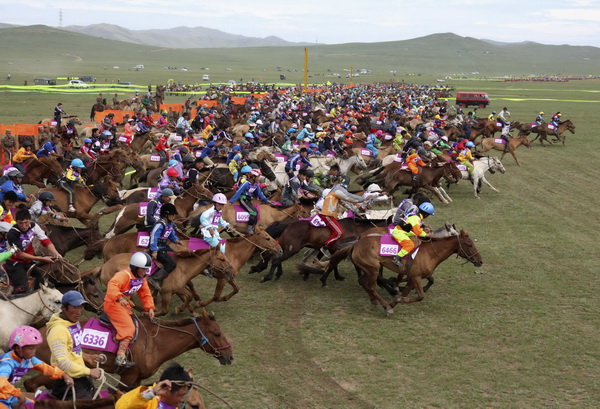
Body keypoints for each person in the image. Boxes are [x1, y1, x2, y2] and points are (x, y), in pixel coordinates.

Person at [0, 326, 73, 409]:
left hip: (7, 395)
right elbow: (1, 383)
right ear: (18, 349)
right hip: (4, 395)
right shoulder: (7, 363)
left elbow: (46, 368)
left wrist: (63, 375)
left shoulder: (30, 360)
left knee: (36, 406)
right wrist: (18, 394)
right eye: (31, 348)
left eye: (35, 348)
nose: (34, 352)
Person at [47, 290, 102, 400]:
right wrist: (89, 371)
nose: (79, 312)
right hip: (66, 381)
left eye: (81, 307)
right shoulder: (58, 330)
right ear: (64, 308)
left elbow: (73, 349)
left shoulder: (73, 322)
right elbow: (62, 362)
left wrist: (86, 356)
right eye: (75, 307)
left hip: (79, 376)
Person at [104, 252, 156, 368]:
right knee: (129, 328)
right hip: (113, 304)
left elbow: (145, 293)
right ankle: (120, 357)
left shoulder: (141, 278)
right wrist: (119, 297)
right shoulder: (123, 275)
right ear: (135, 267)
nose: (145, 272)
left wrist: (150, 307)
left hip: (124, 305)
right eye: (143, 269)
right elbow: (112, 286)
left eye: (146, 269)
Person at [6, 209, 61, 294]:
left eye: (26, 222)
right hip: (15, 262)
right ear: (16, 222)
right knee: (22, 287)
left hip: (28, 261)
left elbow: (46, 241)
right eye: (20, 223)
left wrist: (55, 253)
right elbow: (21, 255)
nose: (24, 226)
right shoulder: (12, 234)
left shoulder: (34, 226)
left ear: (30, 220)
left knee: (42, 282)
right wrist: (41, 258)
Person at [318, 179, 365, 257]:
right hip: (327, 215)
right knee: (339, 233)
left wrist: (356, 212)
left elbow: (345, 204)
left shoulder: (336, 195)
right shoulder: (334, 192)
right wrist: (362, 199)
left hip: (331, 216)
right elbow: (348, 197)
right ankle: (325, 247)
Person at [115, 362, 193, 409]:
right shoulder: (145, 399)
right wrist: (151, 392)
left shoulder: (173, 406)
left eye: (184, 395)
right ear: (167, 391)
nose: (183, 399)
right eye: (180, 395)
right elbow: (121, 406)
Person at [391, 202, 435, 270]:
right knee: (410, 245)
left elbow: (419, 225)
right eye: (428, 215)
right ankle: (396, 258)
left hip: (404, 232)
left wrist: (424, 227)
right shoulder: (415, 218)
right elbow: (417, 232)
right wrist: (427, 235)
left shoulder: (416, 216)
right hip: (399, 233)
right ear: (426, 214)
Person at [147, 203, 181, 291]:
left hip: (163, 247)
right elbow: (154, 237)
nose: (174, 217)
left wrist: (177, 241)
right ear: (166, 214)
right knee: (171, 264)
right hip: (157, 249)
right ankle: (154, 279)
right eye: (172, 215)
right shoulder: (160, 224)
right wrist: (154, 251)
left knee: (176, 255)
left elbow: (171, 235)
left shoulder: (169, 224)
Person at [229, 169, 271, 234]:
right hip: (243, 199)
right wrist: (231, 201)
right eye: (258, 177)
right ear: (253, 177)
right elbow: (238, 192)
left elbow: (260, 193)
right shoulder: (246, 183)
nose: (258, 178)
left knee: (257, 211)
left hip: (249, 200)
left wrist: (266, 200)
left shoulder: (256, 184)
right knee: (253, 212)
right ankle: (249, 228)